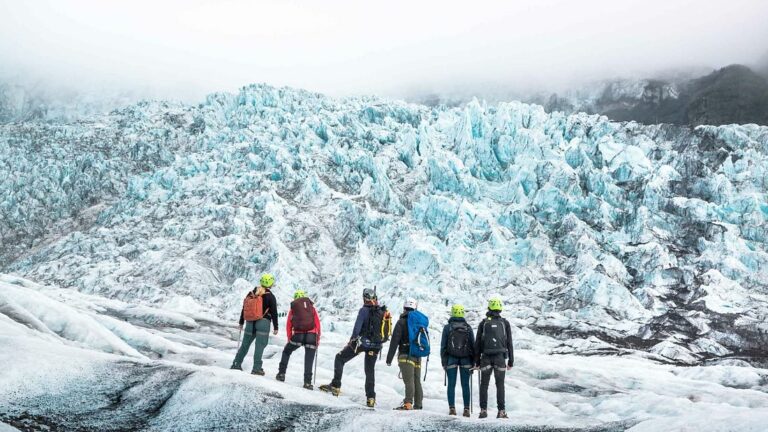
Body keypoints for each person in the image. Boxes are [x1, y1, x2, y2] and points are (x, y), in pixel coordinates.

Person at [320, 287, 392, 408]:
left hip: (362, 343)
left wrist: (352, 340)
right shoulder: (381, 311)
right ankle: (371, 398)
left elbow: (357, 328)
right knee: (369, 371)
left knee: (340, 358)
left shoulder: (363, 310)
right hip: (376, 346)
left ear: (365, 298)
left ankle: (335, 386)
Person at [230, 273, 279, 375]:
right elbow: (274, 312)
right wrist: (276, 327)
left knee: (245, 345)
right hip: (263, 323)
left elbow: (245, 308)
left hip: (250, 322)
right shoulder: (270, 296)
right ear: (270, 284)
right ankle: (256, 368)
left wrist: (241, 322)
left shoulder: (251, 293)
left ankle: (236, 363)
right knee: (259, 346)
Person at [474, 297, 513, 419]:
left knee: (484, 384)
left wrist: (477, 361)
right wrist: (511, 361)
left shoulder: (483, 323)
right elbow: (509, 343)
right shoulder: (505, 323)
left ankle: (483, 410)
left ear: (489, 308)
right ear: (500, 309)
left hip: (485, 357)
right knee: (500, 384)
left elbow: (478, 343)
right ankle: (501, 411)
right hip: (500, 358)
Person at [276, 290, 321, 390]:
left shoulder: (293, 309)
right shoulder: (311, 308)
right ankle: (307, 383)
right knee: (309, 359)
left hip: (298, 336)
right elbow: (317, 324)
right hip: (312, 336)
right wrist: (317, 340)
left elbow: (289, 325)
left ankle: (281, 374)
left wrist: (289, 338)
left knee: (287, 351)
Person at [386, 298, 425, 411]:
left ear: (404, 308)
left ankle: (408, 403)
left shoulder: (401, 322)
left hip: (405, 355)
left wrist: (389, 358)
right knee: (416, 380)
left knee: (409, 381)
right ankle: (418, 404)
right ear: (415, 308)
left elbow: (394, 341)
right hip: (417, 356)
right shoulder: (419, 322)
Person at [440, 304, 475, 417]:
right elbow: (473, 346)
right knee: (465, 385)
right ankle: (466, 409)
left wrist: (444, 362)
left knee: (451, 384)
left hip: (451, 359)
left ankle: (452, 408)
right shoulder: (468, 327)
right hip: (466, 360)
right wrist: (474, 362)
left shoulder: (447, 327)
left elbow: (443, 346)